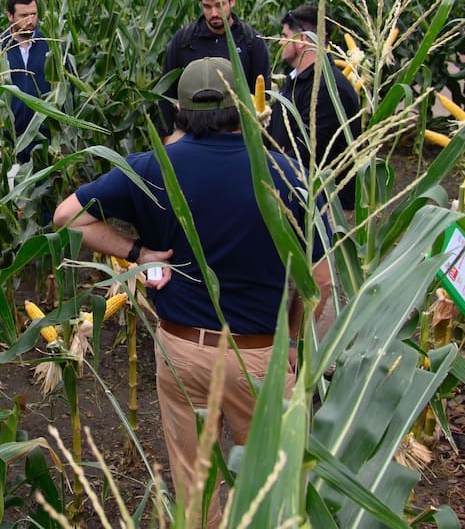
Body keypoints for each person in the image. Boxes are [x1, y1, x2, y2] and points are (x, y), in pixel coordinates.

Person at [54, 57, 316, 528]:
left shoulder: (151, 166)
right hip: (260, 358)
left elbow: (66, 216)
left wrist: (139, 252)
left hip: (181, 353)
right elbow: (322, 275)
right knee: (272, 491)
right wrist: (293, 337)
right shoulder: (285, 173)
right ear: (244, 107)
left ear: (179, 109)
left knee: (195, 493)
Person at [266, 4, 362, 209]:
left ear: (301, 40)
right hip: (294, 193)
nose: (280, 42)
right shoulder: (297, 81)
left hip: (323, 206)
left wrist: (268, 172)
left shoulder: (328, 89)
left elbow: (309, 150)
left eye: (284, 35)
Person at [159, 0, 271, 140]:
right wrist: (166, 136)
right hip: (191, 136)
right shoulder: (184, 41)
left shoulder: (251, 42)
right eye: (207, 7)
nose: (214, 13)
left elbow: (263, 94)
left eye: (220, 5)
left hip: (236, 138)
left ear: (232, 1)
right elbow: (166, 93)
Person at [0, 0, 65, 164]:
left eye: (34, 14)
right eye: (23, 15)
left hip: (44, 142)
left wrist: (59, 136)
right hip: (6, 143)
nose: (30, 21)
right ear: (10, 16)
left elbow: (65, 89)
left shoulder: (51, 47)